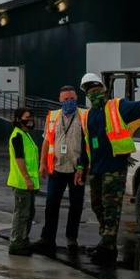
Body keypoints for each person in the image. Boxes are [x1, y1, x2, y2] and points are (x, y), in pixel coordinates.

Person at [79, 72, 140, 265]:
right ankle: (106, 240)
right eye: (90, 90)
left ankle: (108, 247)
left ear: (103, 90)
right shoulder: (87, 116)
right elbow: (85, 143)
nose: (94, 93)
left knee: (111, 208)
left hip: (115, 167)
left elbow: (139, 107)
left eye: (97, 89)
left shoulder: (116, 107)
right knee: (98, 206)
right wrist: (82, 166)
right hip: (96, 169)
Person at [32, 86, 89, 256]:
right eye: (65, 99)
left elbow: (88, 144)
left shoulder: (85, 116)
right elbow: (46, 142)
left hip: (77, 169)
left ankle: (72, 239)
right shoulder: (53, 116)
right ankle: (47, 238)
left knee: (76, 206)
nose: (68, 102)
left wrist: (84, 166)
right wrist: (42, 163)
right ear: (60, 100)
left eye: (71, 98)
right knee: (51, 205)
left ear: (76, 98)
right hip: (56, 169)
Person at [7, 107, 40, 256]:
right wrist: (27, 178)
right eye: (27, 117)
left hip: (28, 183)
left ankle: (23, 240)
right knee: (21, 214)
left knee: (28, 213)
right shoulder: (18, 136)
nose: (30, 120)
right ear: (19, 119)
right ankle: (17, 243)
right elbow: (19, 159)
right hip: (21, 183)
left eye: (31, 116)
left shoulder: (26, 135)